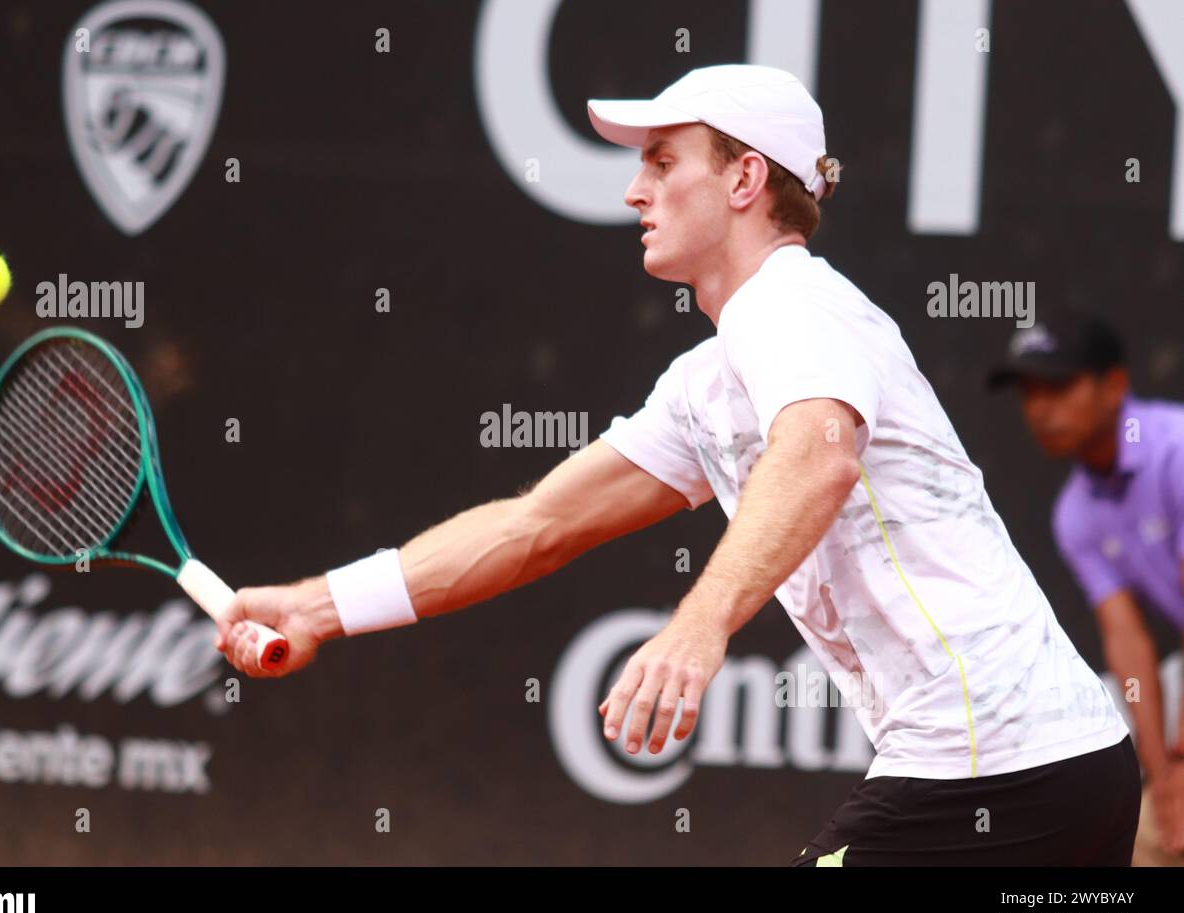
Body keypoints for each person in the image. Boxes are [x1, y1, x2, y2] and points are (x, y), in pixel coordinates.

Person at [216, 65, 1137, 865]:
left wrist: (700, 626)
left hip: (995, 770)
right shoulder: (710, 380)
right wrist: (315, 606)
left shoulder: (795, 303)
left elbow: (819, 461)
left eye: (662, 162)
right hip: (1061, 772)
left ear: (745, 179)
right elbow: (533, 527)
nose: (633, 191)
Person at [987, 314, 1184, 862]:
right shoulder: (1075, 514)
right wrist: (1163, 775)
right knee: (1149, 843)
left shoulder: (1178, 451)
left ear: (1115, 386)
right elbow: (1127, 640)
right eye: (1029, 393)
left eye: (1058, 387)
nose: (1040, 410)